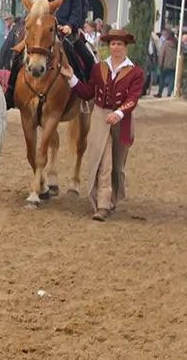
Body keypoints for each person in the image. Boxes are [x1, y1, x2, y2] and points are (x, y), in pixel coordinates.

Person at [59, 29, 143, 221]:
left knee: (117, 165)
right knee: (102, 161)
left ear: (125, 47)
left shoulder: (136, 72)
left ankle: (112, 198)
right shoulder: (99, 69)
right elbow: (88, 92)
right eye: (113, 44)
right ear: (108, 46)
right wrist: (71, 78)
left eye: (119, 44)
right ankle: (102, 205)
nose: (116, 48)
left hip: (123, 119)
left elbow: (133, 97)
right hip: (100, 116)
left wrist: (120, 113)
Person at [4, 0, 94, 109]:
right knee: (18, 53)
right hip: (45, 29)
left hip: (66, 31)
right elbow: (38, 6)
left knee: (85, 57)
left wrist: (70, 25)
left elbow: (77, 12)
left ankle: (84, 96)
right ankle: (10, 92)